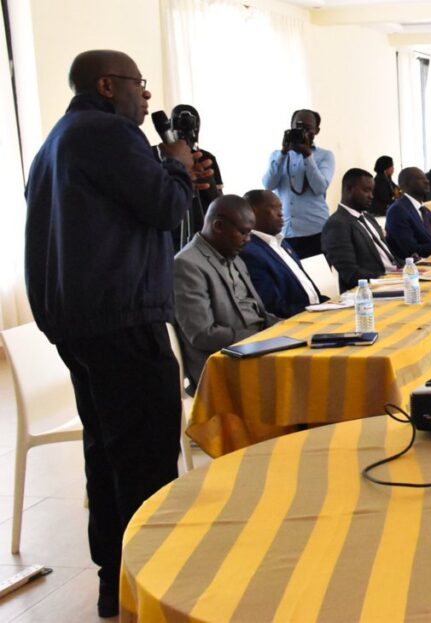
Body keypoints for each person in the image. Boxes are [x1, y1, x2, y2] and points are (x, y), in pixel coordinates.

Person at [24, 49, 210, 618]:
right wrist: (175, 164)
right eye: (139, 84)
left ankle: (116, 580)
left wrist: (170, 171)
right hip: (123, 318)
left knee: (106, 454)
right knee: (147, 457)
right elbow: (162, 208)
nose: (147, 95)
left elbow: (119, 214)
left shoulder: (59, 140)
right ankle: (157, 582)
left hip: (78, 322)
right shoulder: (107, 134)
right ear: (108, 85)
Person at [174, 195, 278, 390]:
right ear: (219, 226)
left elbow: (258, 313)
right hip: (226, 362)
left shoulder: (234, 256)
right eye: (243, 233)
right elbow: (202, 334)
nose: (248, 240)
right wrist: (260, 337)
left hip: (258, 347)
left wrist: (286, 328)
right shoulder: (187, 264)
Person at [262, 109, 335, 259]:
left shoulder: (325, 156)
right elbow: (268, 185)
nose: (302, 131)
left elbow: (320, 187)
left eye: (307, 128)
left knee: (321, 278)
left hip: (316, 230)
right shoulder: (278, 155)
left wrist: (308, 155)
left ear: (317, 131)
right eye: (297, 127)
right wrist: (283, 152)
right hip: (285, 232)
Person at [238, 189, 324, 318]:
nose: (281, 214)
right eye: (274, 208)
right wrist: (316, 310)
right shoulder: (250, 252)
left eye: (281, 208)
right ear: (252, 212)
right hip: (297, 321)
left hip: (316, 311)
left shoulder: (282, 242)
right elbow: (273, 307)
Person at [322, 168, 400, 291]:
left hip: (393, 281)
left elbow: (389, 256)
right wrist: (388, 278)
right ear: (349, 189)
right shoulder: (337, 224)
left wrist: (405, 266)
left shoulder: (368, 218)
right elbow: (350, 273)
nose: (371, 196)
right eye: (366, 190)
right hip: (368, 291)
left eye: (372, 191)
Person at [169, 104, 223, 251]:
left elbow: (217, 200)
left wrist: (205, 177)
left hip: (202, 227)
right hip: (171, 228)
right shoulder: (160, 154)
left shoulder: (206, 158)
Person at [386, 167, 431, 261]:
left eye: (426, 178)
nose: (427, 181)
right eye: (420, 179)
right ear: (406, 184)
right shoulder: (397, 211)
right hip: (413, 268)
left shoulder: (425, 210)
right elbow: (411, 250)